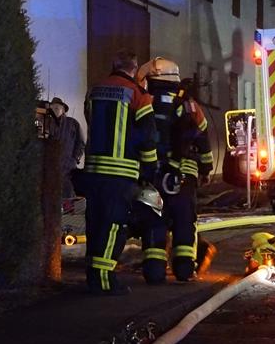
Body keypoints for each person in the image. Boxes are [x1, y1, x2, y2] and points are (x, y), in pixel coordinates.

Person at [83, 50, 158, 295]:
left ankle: (93, 277)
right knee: (113, 225)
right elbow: (147, 137)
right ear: (135, 70)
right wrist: (150, 169)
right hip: (121, 173)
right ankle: (105, 281)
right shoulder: (139, 95)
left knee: (94, 222)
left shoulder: (94, 90)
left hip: (94, 171)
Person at [135, 57, 215, 283]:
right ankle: (184, 270)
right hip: (184, 176)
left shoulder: (145, 101)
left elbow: (139, 136)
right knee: (184, 221)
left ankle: (154, 270)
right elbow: (203, 138)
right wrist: (206, 168)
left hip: (153, 174)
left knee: (154, 220)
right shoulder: (190, 105)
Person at [49, 97, 85, 199]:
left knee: (68, 196)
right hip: (52, 168)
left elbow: (81, 142)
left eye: (57, 108)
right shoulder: (48, 124)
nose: (54, 110)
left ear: (63, 109)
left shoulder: (72, 123)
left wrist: (75, 158)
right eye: (52, 108)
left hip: (68, 167)